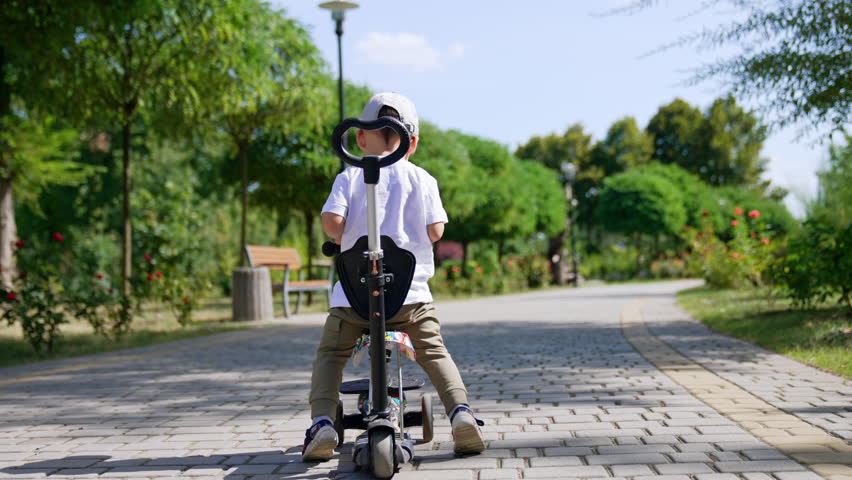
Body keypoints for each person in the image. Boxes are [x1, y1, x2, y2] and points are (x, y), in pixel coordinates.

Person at [302, 92, 486, 461]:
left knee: (331, 353)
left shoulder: (350, 176)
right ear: (412, 143)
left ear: (359, 138)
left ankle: (322, 422)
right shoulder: (422, 179)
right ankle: (460, 413)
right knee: (433, 351)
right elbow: (436, 230)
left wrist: (342, 234)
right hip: (410, 296)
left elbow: (332, 224)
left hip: (354, 299)